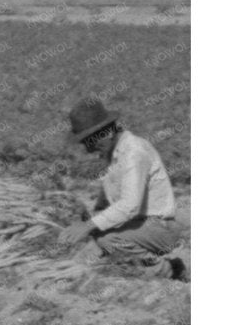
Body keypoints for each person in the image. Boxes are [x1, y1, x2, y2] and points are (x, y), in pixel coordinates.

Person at [60, 100, 183, 275]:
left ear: (107, 133)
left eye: (89, 142)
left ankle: (169, 270)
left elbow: (129, 205)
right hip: (135, 226)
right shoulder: (113, 155)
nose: (88, 150)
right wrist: (86, 221)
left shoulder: (134, 152)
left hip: (159, 227)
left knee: (109, 240)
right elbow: (105, 205)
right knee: (82, 260)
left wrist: (89, 226)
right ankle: (137, 266)